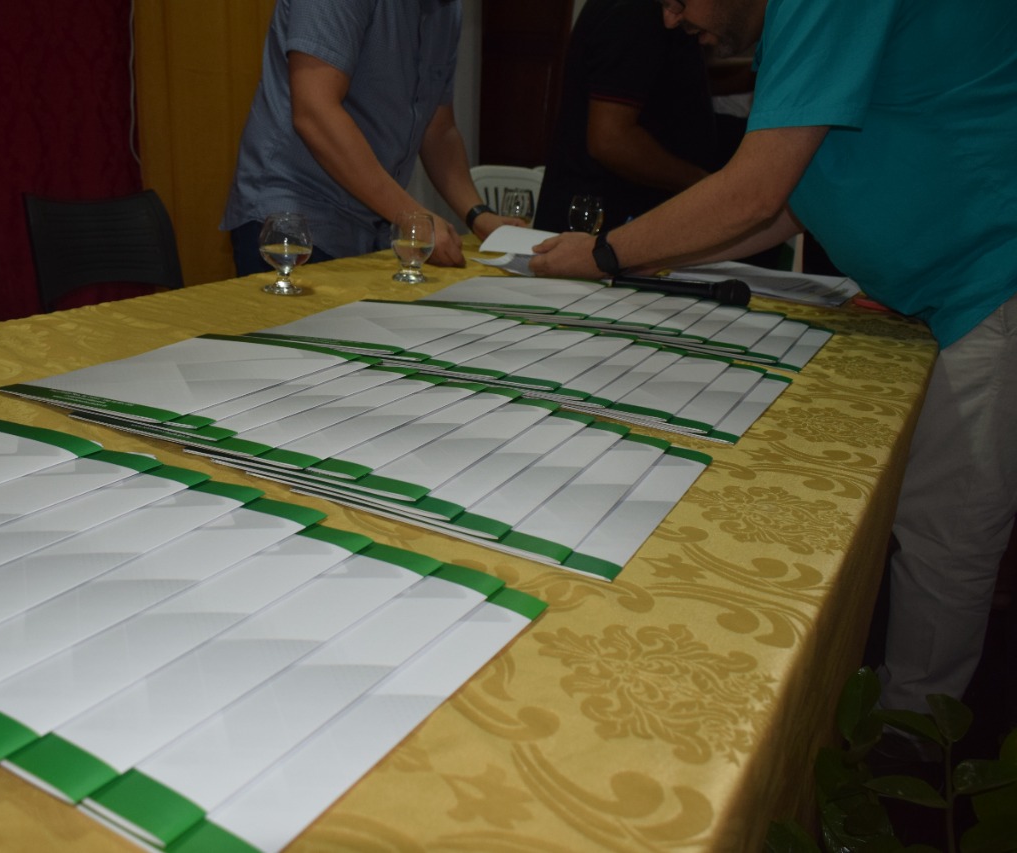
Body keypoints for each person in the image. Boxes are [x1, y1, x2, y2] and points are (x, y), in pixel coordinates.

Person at [531, 0, 1017, 747]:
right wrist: (637, 257)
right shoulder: (792, 28)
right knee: (907, 524)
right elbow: (789, 203)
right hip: (938, 293)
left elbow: (755, 193)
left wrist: (605, 254)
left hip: (989, 280)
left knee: (944, 542)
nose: (670, 19)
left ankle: (910, 760)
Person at [221, 0, 516, 276]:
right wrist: (412, 216)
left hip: (371, 228)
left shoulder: (446, 10)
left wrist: (478, 215)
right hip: (295, 219)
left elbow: (438, 130)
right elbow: (314, 112)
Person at [532, 0, 725, 234]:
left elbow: (669, 84)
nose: (670, 19)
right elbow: (610, 140)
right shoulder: (635, 12)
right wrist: (705, 184)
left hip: (618, 219)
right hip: (602, 221)